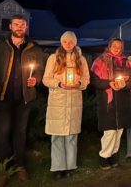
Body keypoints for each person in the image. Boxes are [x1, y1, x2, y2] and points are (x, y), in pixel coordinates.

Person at [0, 14, 45, 181]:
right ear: (10, 26)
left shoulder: (34, 48)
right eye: (16, 24)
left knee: (20, 133)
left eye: (23, 25)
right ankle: (2, 169)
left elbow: (39, 69)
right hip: (3, 98)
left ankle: (20, 166)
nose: (20, 27)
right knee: (4, 132)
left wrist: (36, 79)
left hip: (24, 99)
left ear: (26, 27)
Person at [43, 31, 90, 178]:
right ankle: (58, 168)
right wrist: (58, 84)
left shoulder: (81, 60)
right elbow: (46, 79)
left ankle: (70, 166)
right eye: (65, 41)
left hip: (74, 101)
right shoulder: (53, 58)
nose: (68, 44)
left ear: (75, 42)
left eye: (71, 41)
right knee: (57, 137)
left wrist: (80, 83)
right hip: (58, 102)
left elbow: (86, 79)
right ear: (61, 43)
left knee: (71, 136)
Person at [91, 38, 131, 170]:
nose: (116, 48)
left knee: (119, 131)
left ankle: (114, 155)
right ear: (109, 46)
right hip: (107, 102)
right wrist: (108, 83)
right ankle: (104, 157)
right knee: (109, 131)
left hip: (122, 101)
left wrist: (124, 84)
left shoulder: (126, 62)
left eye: (119, 46)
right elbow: (94, 81)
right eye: (114, 45)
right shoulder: (100, 61)